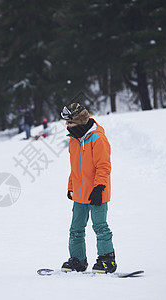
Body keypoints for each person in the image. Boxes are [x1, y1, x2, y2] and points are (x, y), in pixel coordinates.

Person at [60, 102, 116, 274]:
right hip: (80, 193)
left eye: (70, 123)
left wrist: (99, 187)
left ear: (80, 121)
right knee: (76, 229)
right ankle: (78, 260)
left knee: (100, 227)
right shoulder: (74, 140)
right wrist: (71, 186)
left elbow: (104, 166)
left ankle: (107, 260)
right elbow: (75, 167)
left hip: (97, 192)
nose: (67, 126)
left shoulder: (97, 138)